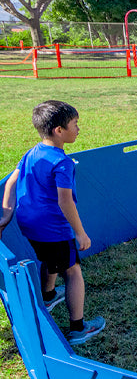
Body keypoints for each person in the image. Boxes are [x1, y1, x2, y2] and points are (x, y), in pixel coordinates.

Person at [0, 100, 106, 345]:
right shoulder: (62, 162)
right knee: (72, 271)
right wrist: (80, 233)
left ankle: (47, 296)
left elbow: (12, 181)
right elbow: (65, 201)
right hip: (53, 228)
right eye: (75, 124)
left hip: (30, 224)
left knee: (49, 259)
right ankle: (78, 328)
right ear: (59, 130)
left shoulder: (33, 151)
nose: (78, 129)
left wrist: (6, 213)